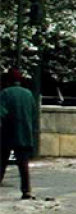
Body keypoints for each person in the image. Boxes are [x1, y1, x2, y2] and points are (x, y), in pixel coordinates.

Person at [1, 68, 39, 200]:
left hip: (6, 134)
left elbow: (1, 113)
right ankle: (26, 190)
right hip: (24, 133)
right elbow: (34, 114)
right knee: (23, 164)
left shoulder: (5, 93)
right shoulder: (28, 94)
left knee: (1, 163)